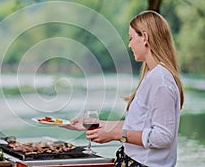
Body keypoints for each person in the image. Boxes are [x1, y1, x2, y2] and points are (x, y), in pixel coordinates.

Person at [63, 11, 184, 167]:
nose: (130, 44)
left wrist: (115, 134)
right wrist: (97, 124)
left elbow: (163, 137)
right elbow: (139, 125)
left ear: (145, 38)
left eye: (131, 38)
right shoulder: (152, 76)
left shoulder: (160, 80)